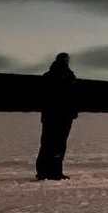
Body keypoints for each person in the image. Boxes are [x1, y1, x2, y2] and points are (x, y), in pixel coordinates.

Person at [35, 52, 78, 180]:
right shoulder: (69, 77)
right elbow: (73, 97)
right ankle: (55, 172)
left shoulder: (47, 76)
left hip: (49, 117)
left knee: (46, 144)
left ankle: (43, 172)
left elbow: (41, 96)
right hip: (62, 117)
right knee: (58, 144)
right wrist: (73, 112)